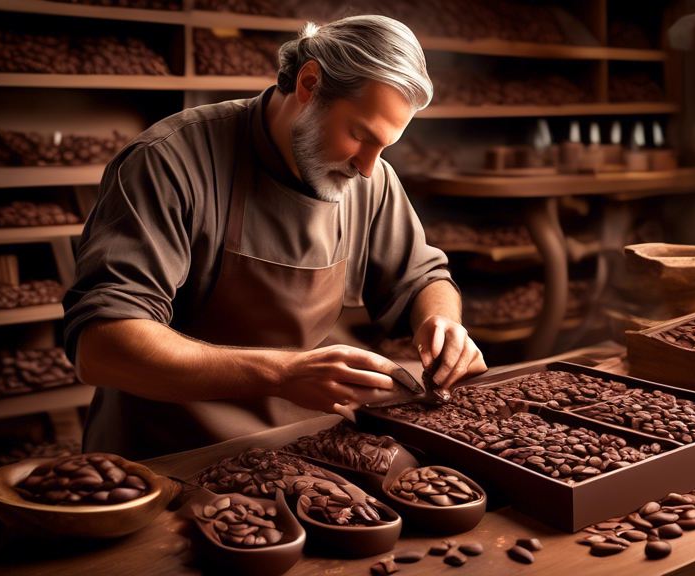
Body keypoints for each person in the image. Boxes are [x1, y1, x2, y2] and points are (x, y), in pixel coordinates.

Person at [63, 16, 486, 460]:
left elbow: (422, 278)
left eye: (385, 147)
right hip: (165, 455)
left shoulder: (370, 179)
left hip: (298, 449)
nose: (367, 167)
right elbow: (102, 346)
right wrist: (282, 374)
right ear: (309, 83)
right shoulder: (169, 162)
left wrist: (442, 323)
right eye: (359, 135)